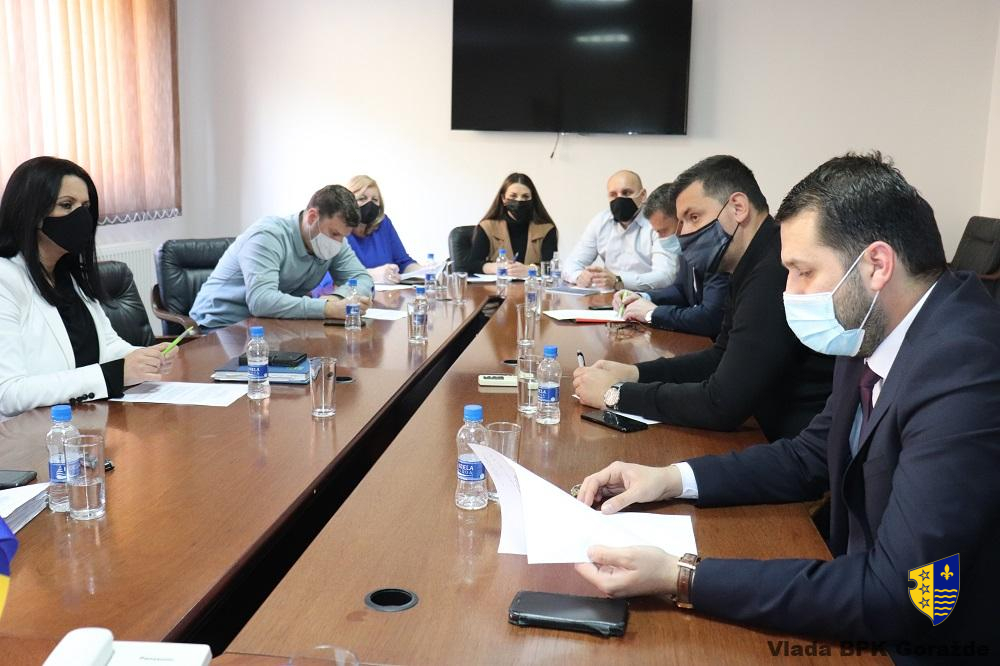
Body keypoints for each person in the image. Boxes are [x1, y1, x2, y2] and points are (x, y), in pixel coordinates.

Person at [573, 152, 1000, 661]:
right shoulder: (871, 324)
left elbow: (903, 595)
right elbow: (807, 456)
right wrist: (669, 479)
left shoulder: (966, 370)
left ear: (877, 265)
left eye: (803, 271)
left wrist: (680, 576)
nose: (790, 293)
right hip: (860, 594)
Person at [573, 156, 833, 441]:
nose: (683, 233)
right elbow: (719, 356)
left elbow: (721, 404)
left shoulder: (772, 270)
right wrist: (633, 372)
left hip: (794, 445)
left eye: (693, 217)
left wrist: (615, 394)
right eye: (681, 222)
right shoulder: (752, 261)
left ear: (738, 207)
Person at [0, 157, 173, 419]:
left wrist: (144, 357)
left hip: (85, 421)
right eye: (66, 205)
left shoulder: (66, 272)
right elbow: (8, 393)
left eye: (86, 206)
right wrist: (113, 374)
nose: (81, 216)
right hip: (28, 434)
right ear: (31, 212)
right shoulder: (5, 278)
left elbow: (108, 345)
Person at [190, 185, 374, 329]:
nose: (339, 242)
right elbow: (261, 301)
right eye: (334, 233)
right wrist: (327, 308)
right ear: (312, 217)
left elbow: (362, 279)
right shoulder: (268, 235)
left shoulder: (335, 242)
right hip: (219, 327)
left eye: (343, 236)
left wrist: (336, 298)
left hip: (270, 325)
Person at [611, 183, 731, 339]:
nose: (661, 239)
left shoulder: (716, 252)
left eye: (663, 231)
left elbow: (710, 318)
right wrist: (642, 297)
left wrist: (652, 313)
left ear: (682, 219)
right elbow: (681, 290)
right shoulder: (686, 249)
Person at [562, 170, 678, 291]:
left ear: (643, 195)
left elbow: (665, 276)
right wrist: (579, 276)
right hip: (608, 296)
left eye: (626, 193)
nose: (619, 199)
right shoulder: (601, 221)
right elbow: (570, 264)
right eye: (613, 194)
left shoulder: (656, 223)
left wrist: (619, 281)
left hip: (647, 296)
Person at [312, 175, 419, 292]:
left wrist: (424, 271)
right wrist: (373, 275)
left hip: (386, 297)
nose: (370, 204)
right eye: (362, 198)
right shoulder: (337, 229)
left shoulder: (383, 224)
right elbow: (327, 279)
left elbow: (403, 262)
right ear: (348, 203)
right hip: (348, 297)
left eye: (375, 200)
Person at [463, 173, 557, 277]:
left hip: (533, 286)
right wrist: (495, 267)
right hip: (498, 286)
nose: (519, 200)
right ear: (503, 198)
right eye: (513, 196)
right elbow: (472, 265)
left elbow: (551, 267)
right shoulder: (487, 227)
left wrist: (531, 270)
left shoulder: (546, 229)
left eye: (525, 197)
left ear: (532, 200)